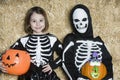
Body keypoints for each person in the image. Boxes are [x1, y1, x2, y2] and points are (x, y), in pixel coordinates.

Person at [1, 6, 63, 80]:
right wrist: (0, 62)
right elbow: (8, 54)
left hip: (48, 75)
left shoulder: (52, 39)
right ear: (29, 23)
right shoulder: (23, 40)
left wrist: (53, 64)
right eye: (34, 21)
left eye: (41, 20)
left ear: (45, 21)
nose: (38, 24)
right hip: (28, 75)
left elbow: (65, 54)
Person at [62, 4, 113, 80]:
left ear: (89, 20)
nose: (81, 24)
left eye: (84, 20)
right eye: (77, 21)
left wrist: (109, 77)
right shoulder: (71, 40)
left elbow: (108, 61)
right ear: (72, 22)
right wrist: (77, 77)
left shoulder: (99, 42)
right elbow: (66, 62)